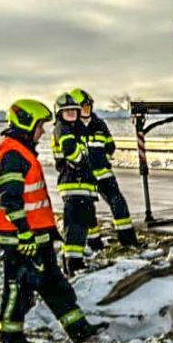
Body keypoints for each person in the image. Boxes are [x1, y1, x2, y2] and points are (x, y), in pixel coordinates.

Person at [0, 99, 107, 343]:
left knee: (54, 285)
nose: (42, 131)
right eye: (39, 126)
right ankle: (10, 339)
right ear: (26, 124)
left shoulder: (20, 151)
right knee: (18, 288)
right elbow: (9, 198)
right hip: (22, 239)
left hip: (36, 236)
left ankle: (80, 330)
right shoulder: (12, 154)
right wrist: (24, 233)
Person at [70, 88, 139, 248]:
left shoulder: (99, 124)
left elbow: (110, 145)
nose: (86, 109)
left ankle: (128, 241)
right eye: (83, 106)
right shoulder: (70, 128)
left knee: (119, 204)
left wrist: (103, 161)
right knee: (88, 211)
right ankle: (94, 245)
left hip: (104, 175)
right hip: (84, 178)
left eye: (88, 106)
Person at [51, 92, 97, 274]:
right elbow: (70, 150)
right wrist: (82, 162)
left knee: (82, 224)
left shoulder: (75, 128)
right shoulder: (62, 128)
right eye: (67, 111)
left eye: (74, 110)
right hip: (72, 183)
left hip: (81, 184)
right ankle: (72, 263)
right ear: (59, 113)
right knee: (75, 225)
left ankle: (75, 260)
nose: (71, 113)